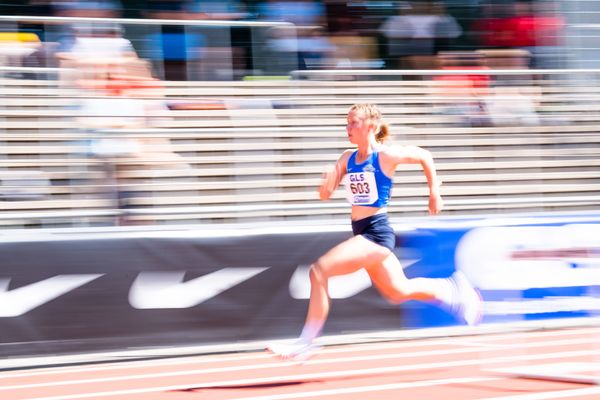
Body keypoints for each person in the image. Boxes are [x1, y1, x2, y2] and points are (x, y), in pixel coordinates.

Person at [267, 103, 482, 360]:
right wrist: (325, 183)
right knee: (398, 291)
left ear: (370, 126)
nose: (347, 128)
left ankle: (307, 341)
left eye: (353, 122)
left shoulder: (385, 156)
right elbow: (325, 195)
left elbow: (425, 155)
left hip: (376, 234)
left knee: (319, 271)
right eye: (346, 122)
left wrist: (434, 191)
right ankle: (452, 290)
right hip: (362, 233)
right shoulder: (346, 158)